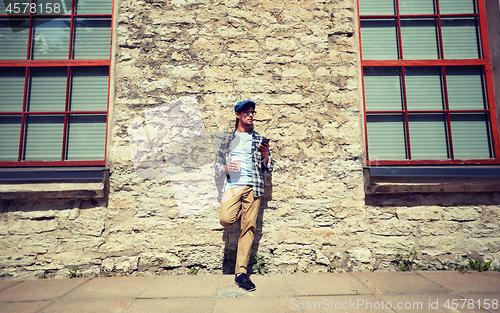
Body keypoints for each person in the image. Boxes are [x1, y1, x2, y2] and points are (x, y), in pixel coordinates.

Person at [214, 100, 274, 291]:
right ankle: (240, 209)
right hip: (233, 186)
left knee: (248, 228)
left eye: (252, 112)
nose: (250, 115)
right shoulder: (228, 140)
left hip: (252, 187)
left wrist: (265, 155)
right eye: (246, 112)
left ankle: (241, 272)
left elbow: (269, 166)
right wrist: (225, 168)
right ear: (237, 115)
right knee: (225, 219)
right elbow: (216, 165)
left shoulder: (259, 139)